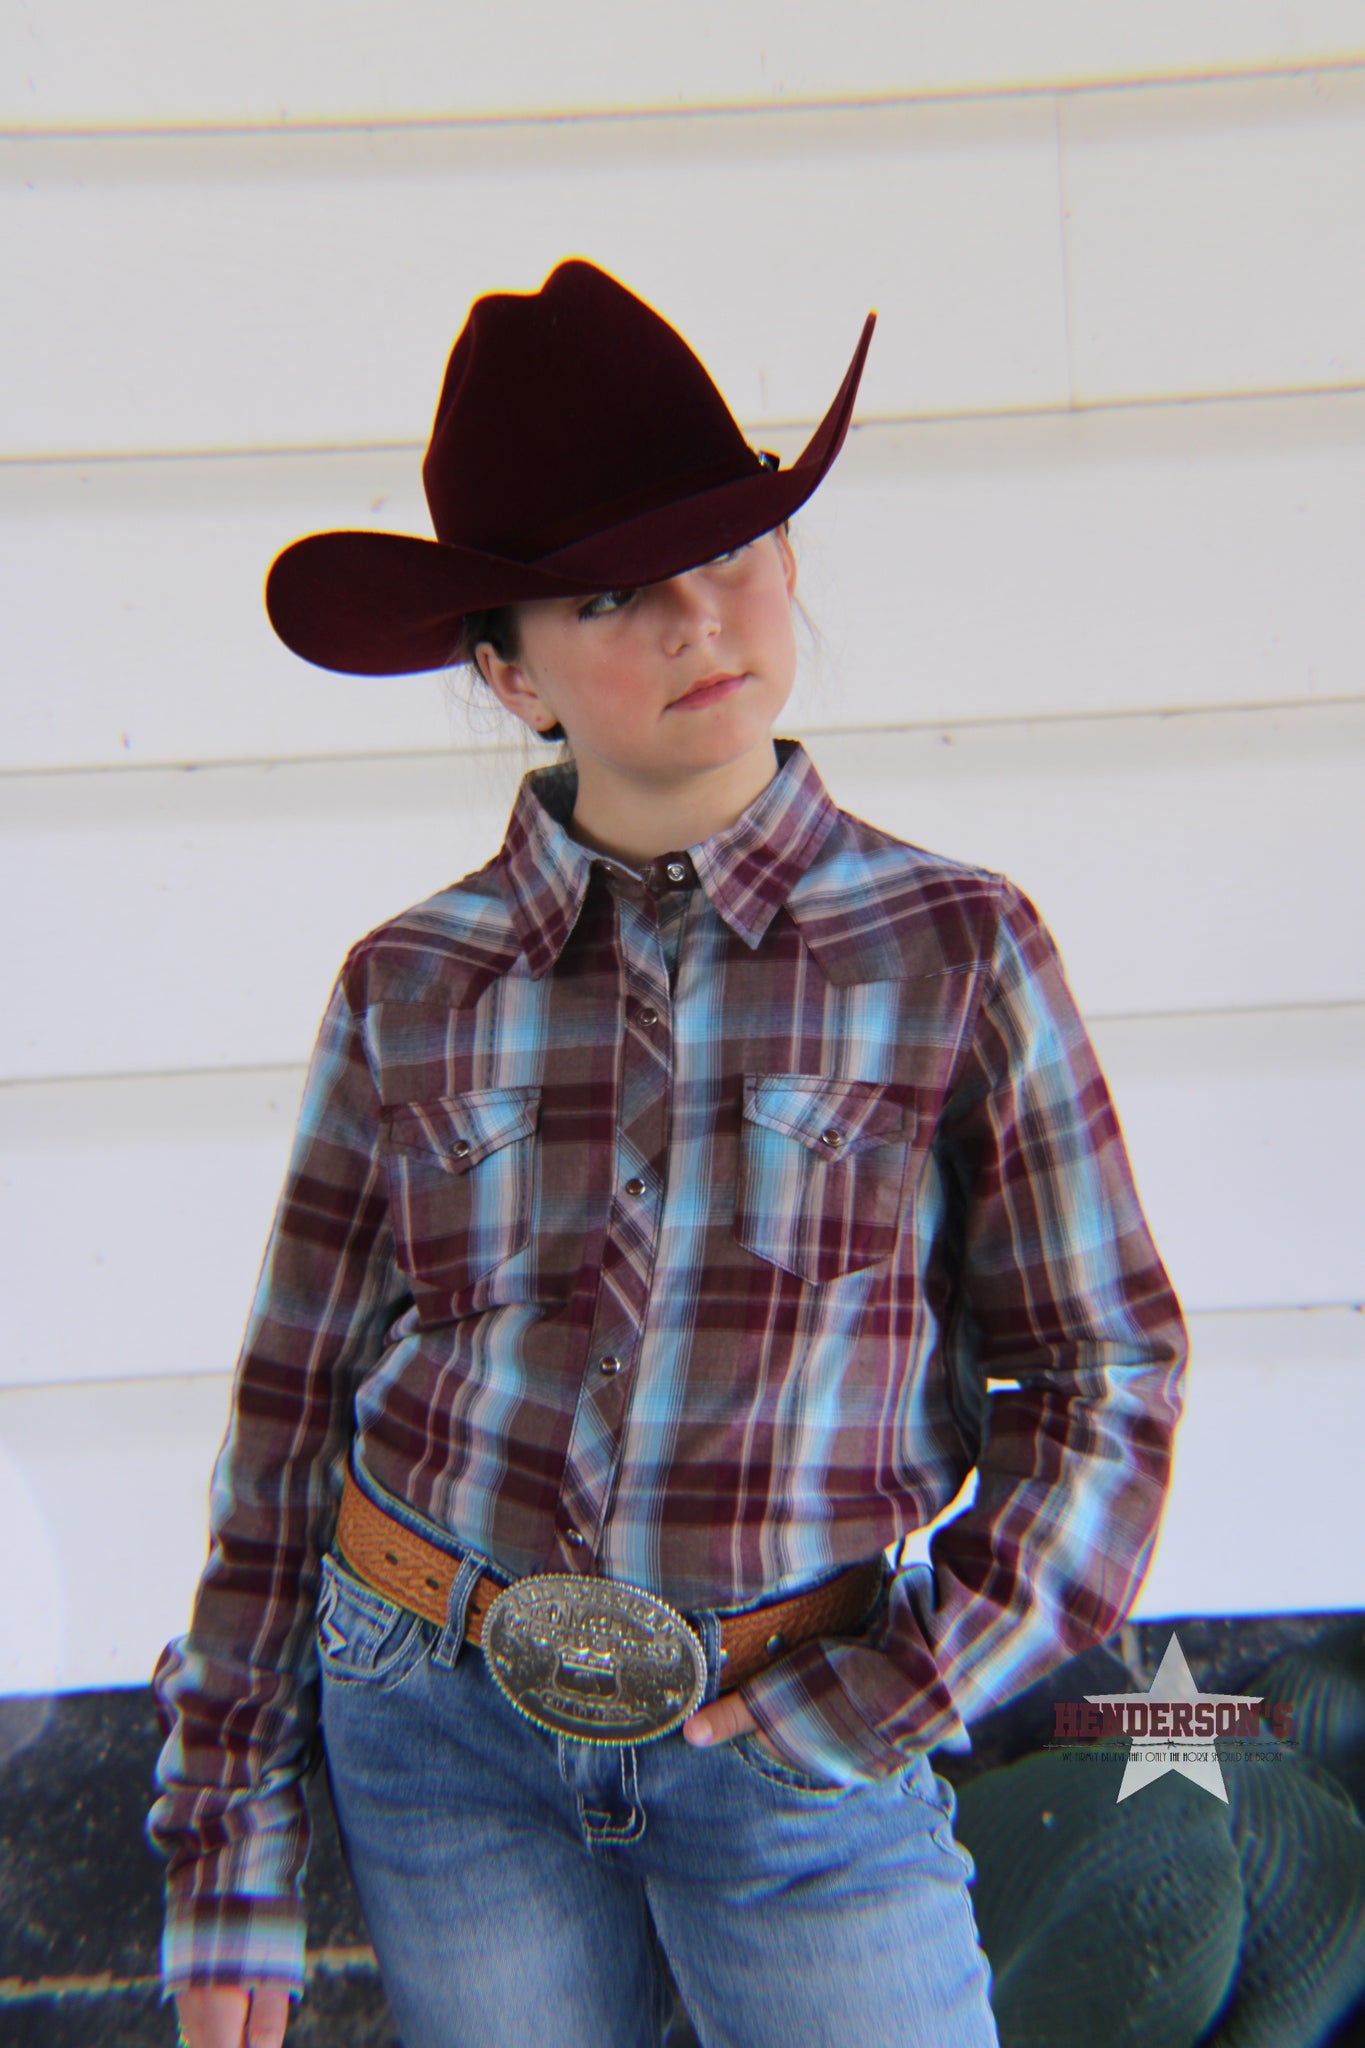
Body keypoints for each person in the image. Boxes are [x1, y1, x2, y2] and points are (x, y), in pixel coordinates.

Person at [149, 258, 1187, 2048]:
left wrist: (900, 1688)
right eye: (615, 595)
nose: (702, 619)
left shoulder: (951, 951)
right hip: (439, 1721)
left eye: (736, 552)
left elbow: (1106, 1374)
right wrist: (226, 1833)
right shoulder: (413, 982)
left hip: (792, 1726)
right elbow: (289, 1410)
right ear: (508, 671)